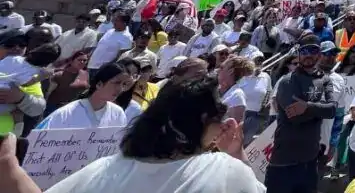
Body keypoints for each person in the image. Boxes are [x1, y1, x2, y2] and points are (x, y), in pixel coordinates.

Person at [0, 77, 263, 193]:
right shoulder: (223, 169)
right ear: (203, 121)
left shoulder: (106, 167)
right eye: (219, 117)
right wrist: (237, 155)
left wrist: (10, 168)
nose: (224, 125)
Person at [266, 39, 337, 193]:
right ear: (298, 55)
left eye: (313, 50)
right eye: (304, 51)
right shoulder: (287, 81)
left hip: (310, 159)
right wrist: (320, 110)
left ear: (318, 54)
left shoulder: (325, 80)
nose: (308, 55)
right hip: (284, 160)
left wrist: (307, 106)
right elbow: (295, 118)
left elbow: (332, 110)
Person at [37, 61, 131, 129]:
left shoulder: (118, 114)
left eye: (124, 84)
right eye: (116, 83)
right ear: (99, 84)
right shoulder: (66, 113)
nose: (120, 89)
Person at [45, 49, 91, 115]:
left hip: (71, 107)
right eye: (79, 60)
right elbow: (48, 91)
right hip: (54, 106)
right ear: (72, 61)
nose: (82, 62)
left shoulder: (85, 74)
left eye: (84, 60)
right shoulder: (60, 74)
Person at [218, 55, 255, 123]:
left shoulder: (237, 95)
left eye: (221, 68)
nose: (218, 70)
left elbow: (235, 128)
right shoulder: (216, 90)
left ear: (231, 71)